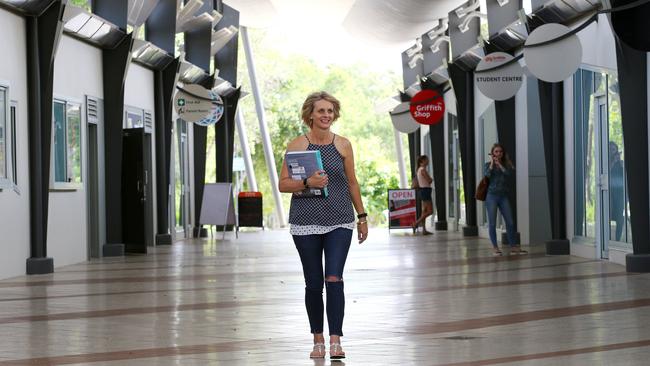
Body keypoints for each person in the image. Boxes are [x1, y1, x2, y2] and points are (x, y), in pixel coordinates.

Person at [279, 91, 368, 360]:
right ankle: (317, 339)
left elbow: (352, 182)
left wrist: (361, 216)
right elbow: (283, 184)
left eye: (330, 111)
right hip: (305, 221)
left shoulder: (343, 145)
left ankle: (335, 340)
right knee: (314, 283)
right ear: (310, 115)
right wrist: (308, 183)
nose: (326, 115)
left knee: (334, 278)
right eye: (321, 111)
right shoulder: (297, 145)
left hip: (340, 220)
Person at [483, 143, 524, 255]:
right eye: (496, 152)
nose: (498, 154)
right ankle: (495, 247)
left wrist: (500, 165)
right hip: (491, 196)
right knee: (492, 223)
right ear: (492, 153)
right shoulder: (487, 165)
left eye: (500, 152)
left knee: (510, 222)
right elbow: (487, 175)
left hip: (503, 196)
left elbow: (508, 174)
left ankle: (513, 246)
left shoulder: (506, 164)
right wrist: (492, 163)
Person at [412, 155, 433, 235]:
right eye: (426, 160)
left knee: (424, 211)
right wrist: (431, 179)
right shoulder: (423, 170)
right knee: (430, 211)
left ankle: (424, 230)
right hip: (426, 190)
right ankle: (416, 223)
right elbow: (429, 180)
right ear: (422, 162)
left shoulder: (418, 170)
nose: (428, 161)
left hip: (422, 191)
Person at [609, 142, 625, 241]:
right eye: (610, 150)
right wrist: (613, 162)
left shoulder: (620, 163)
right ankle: (606, 239)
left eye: (614, 150)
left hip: (619, 194)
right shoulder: (605, 162)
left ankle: (617, 240)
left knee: (620, 218)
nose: (612, 152)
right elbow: (606, 172)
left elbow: (625, 177)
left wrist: (621, 165)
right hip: (609, 193)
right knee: (608, 216)